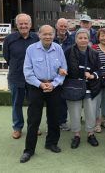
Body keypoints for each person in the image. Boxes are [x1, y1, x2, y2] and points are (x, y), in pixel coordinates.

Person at [20, 25, 67, 163]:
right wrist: (41, 84)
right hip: (36, 86)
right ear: (39, 35)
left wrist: (53, 84)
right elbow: (27, 72)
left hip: (54, 86)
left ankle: (51, 143)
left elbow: (64, 68)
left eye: (50, 34)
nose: (47, 37)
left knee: (54, 117)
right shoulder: (31, 49)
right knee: (33, 119)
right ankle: (29, 150)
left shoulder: (58, 48)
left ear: (54, 35)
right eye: (45, 34)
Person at [3, 13, 39, 139]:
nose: (23, 26)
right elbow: (6, 57)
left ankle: (33, 126)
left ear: (30, 25)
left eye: (26, 23)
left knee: (33, 104)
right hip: (16, 77)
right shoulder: (9, 39)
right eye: (21, 23)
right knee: (16, 104)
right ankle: (17, 128)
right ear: (16, 25)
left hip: (33, 78)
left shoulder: (36, 38)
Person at [64, 28, 101, 149]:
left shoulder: (94, 53)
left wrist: (92, 75)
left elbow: (99, 70)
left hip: (90, 86)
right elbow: (63, 66)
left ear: (89, 39)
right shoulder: (68, 51)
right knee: (74, 111)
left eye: (85, 38)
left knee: (91, 112)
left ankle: (91, 134)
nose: (83, 40)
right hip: (73, 87)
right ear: (75, 39)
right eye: (80, 38)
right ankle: (76, 135)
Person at [54, 18, 75, 131]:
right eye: (60, 26)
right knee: (52, 100)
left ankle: (62, 122)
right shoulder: (50, 38)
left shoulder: (72, 39)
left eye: (64, 26)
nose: (62, 28)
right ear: (56, 26)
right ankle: (52, 122)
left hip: (67, 75)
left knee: (63, 100)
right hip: (52, 75)